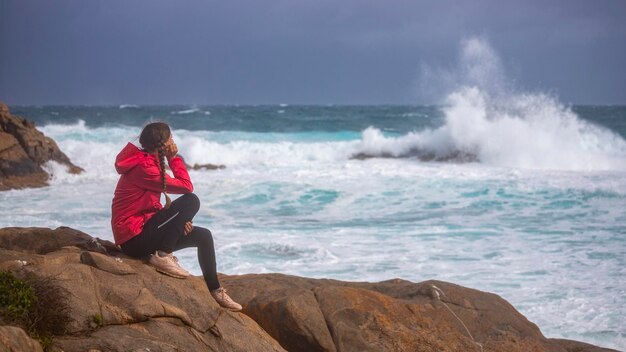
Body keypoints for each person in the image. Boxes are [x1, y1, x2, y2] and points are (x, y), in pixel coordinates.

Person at [111, 122, 241, 311]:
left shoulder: (148, 161)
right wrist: (174, 158)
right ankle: (164, 254)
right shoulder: (143, 167)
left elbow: (149, 207)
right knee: (191, 200)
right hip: (134, 240)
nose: (174, 141)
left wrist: (180, 223)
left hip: (143, 230)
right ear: (162, 145)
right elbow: (187, 187)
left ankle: (216, 290)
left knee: (204, 236)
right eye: (171, 138)